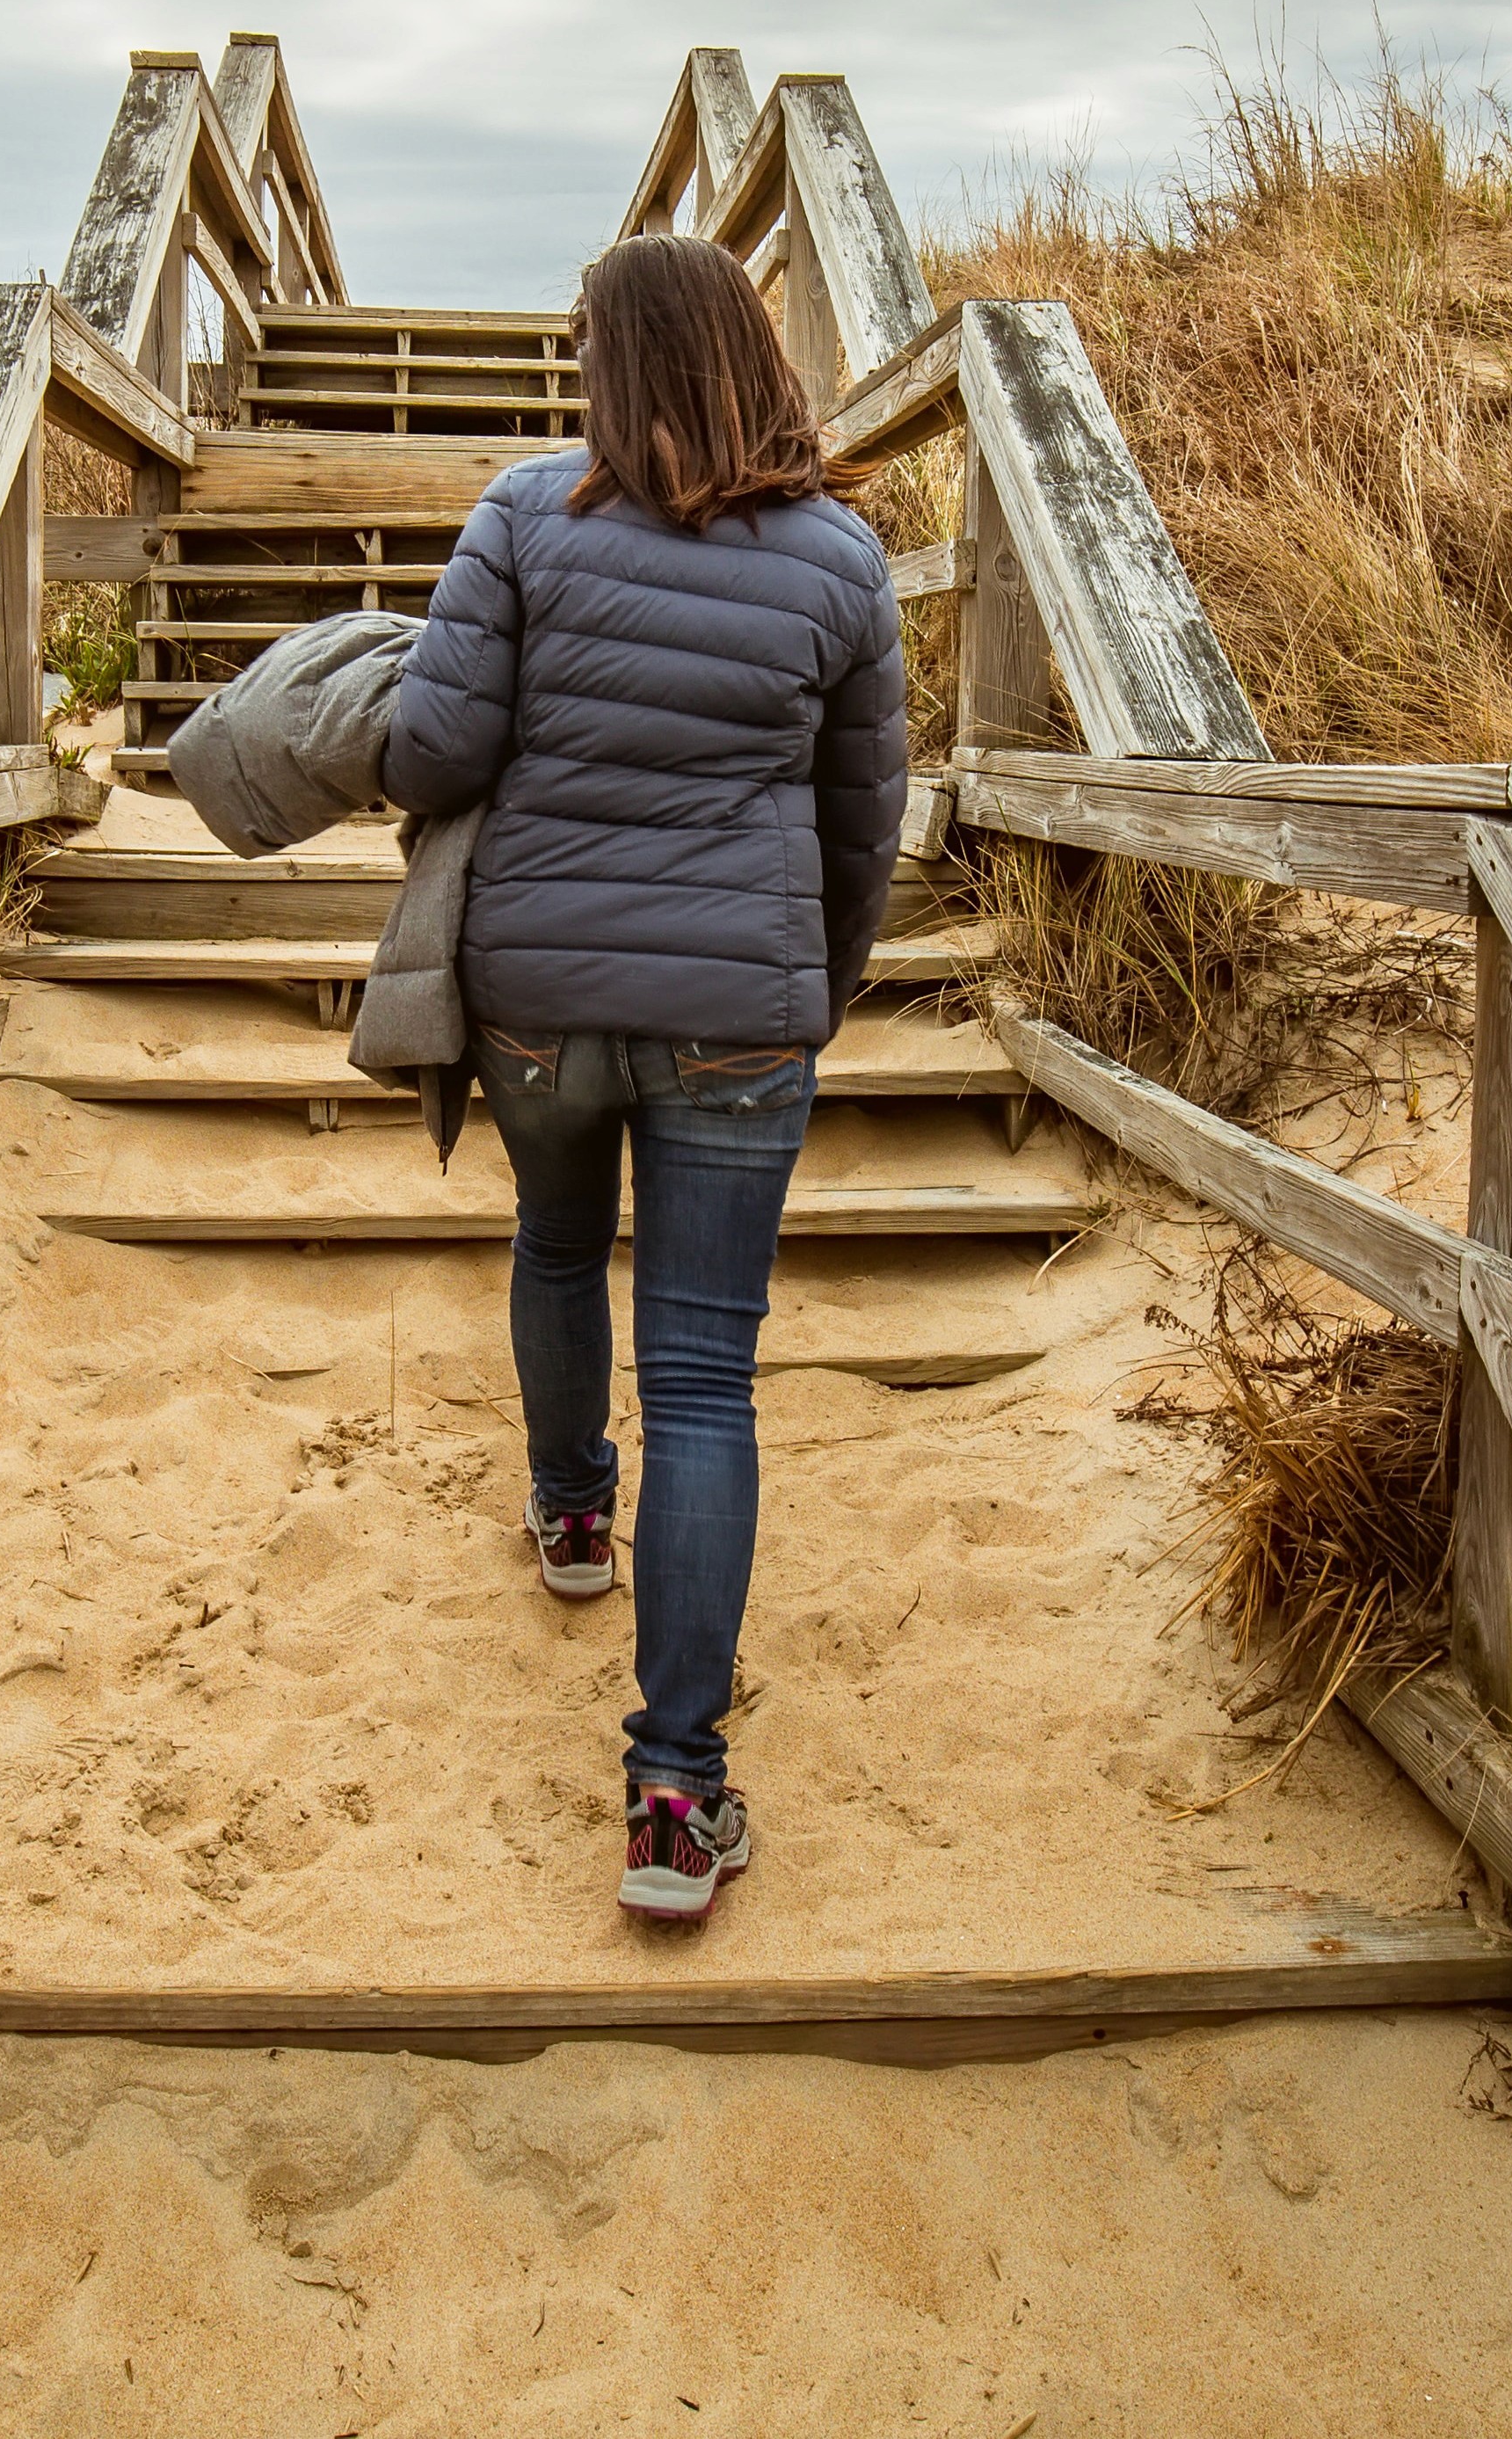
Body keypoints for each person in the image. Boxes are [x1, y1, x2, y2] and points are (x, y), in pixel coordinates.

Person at [382, 231, 908, 1924]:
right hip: (740, 1013)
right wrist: (801, 992)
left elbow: (434, 751)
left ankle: (565, 1519)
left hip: (536, 989)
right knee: (703, 1377)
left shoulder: (526, 514)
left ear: (609, 368)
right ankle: (676, 1796)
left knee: (550, 1244)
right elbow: (861, 819)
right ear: (752, 355)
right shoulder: (842, 558)